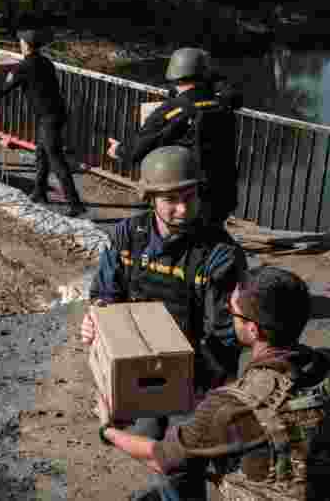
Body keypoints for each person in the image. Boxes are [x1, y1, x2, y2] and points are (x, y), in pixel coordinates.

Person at [97, 265, 330, 501]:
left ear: (254, 329)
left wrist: (107, 429)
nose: (229, 317)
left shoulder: (233, 406)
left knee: (187, 460)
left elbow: (160, 458)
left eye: (234, 312)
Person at [82, 145, 249, 500]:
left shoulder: (219, 254)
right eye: (171, 199)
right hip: (138, 372)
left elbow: (223, 334)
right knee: (150, 445)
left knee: (179, 463)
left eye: (190, 197)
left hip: (196, 381)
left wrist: (201, 387)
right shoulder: (127, 235)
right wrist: (96, 320)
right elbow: (105, 293)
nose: (183, 209)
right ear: (150, 197)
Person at [107, 47, 239, 227]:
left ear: (174, 75)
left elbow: (140, 148)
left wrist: (119, 150)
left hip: (186, 195)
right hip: (222, 192)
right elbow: (232, 94)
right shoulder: (223, 105)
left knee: (187, 242)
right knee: (212, 237)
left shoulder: (172, 111)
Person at [0, 27, 86, 217]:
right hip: (57, 113)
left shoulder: (23, 67)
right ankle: (40, 191)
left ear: (26, 46)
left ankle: (75, 203)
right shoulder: (46, 62)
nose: (20, 44)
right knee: (41, 154)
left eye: (21, 42)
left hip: (47, 118)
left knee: (56, 159)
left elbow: (3, 91)